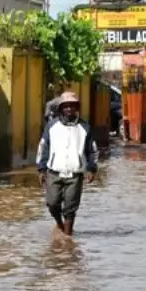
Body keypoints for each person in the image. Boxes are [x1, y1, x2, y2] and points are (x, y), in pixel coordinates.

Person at [37, 91, 97, 236]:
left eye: (72, 106)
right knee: (52, 204)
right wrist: (41, 169)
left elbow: (92, 150)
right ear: (61, 109)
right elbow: (43, 147)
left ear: (77, 108)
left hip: (75, 174)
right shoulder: (52, 126)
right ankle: (59, 224)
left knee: (70, 208)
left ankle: (68, 238)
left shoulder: (84, 127)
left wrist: (91, 168)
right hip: (54, 172)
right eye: (66, 106)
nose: (69, 109)